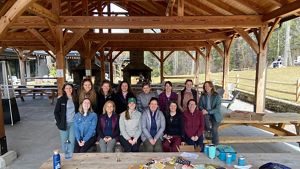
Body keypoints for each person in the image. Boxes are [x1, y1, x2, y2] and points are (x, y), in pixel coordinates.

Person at [54, 83, 79, 155]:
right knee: (64, 141)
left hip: (73, 123)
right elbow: (56, 112)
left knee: (72, 140)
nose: (68, 89)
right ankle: (66, 155)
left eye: (70, 88)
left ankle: (70, 156)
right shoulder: (61, 99)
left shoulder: (75, 99)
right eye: (67, 88)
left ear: (72, 89)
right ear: (64, 90)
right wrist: (59, 123)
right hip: (64, 123)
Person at [199, 81, 222, 145]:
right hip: (206, 114)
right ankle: (208, 132)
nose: (206, 87)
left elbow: (217, 109)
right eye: (205, 86)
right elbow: (200, 105)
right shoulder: (203, 95)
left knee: (214, 129)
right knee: (203, 123)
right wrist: (203, 109)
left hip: (215, 115)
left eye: (208, 86)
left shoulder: (217, 96)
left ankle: (215, 145)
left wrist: (208, 111)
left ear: (211, 87)